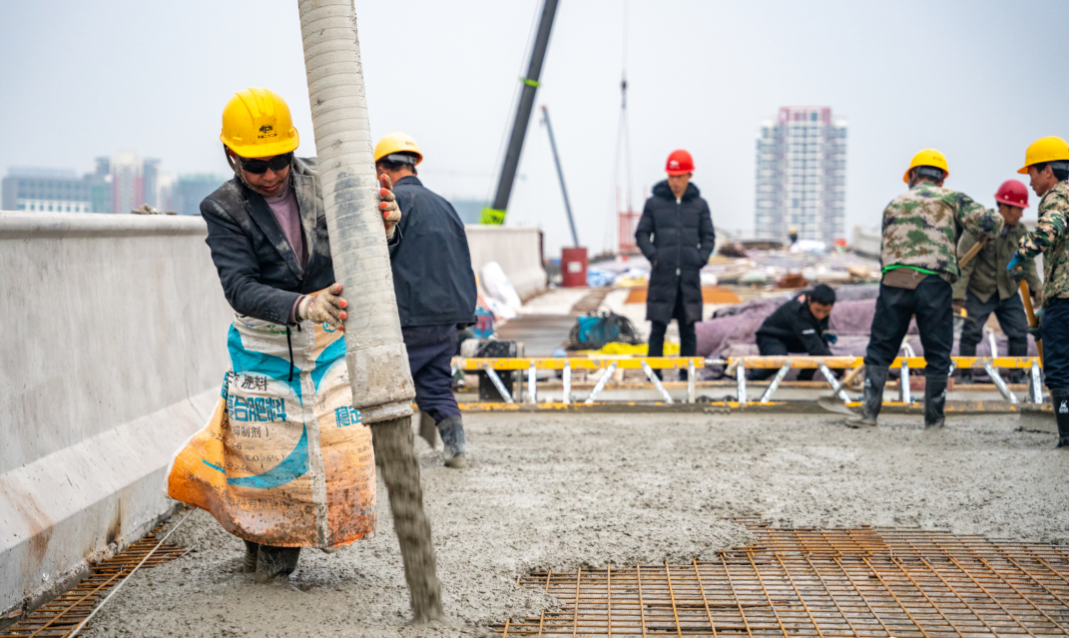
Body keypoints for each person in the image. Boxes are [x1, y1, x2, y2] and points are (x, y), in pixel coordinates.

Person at [195, 88, 400, 582]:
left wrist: (386, 228)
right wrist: (302, 305)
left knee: (331, 446)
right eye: (255, 165)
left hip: (326, 345)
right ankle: (265, 556)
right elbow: (240, 286)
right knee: (265, 451)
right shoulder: (223, 208)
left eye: (279, 161)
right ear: (231, 156)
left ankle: (275, 556)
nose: (270, 174)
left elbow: (366, 248)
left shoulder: (327, 179)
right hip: (265, 348)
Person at [846, 149, 1003, 429]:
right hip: (933, 281)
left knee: (881, 348)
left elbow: (885, 250)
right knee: (938, 352)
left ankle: (868, 414)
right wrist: (987, 231)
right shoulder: (951, 198)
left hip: (894, 279)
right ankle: (934, 420)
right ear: (941, 178)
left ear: (913, 176)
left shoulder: (893, 203)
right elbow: (991, 222)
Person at [375, 132, 478, 468]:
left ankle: (390, 457)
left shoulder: (392, 205)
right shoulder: (444, 206)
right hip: (446, 318)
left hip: (408, 317)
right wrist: (464, 316)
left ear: (382, 171)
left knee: (387, 388)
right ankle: (456, 450)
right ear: (413, 166)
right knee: (435, 385)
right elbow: (462, 261)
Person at [634, 149, 716, 378]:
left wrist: (700, 259)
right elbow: (641, 234)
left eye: (679, 176)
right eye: (671, 176)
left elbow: (708, 236)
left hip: (689, 278)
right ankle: (654, 375)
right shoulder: (654, 203)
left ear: (689, 175)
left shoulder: (700, 205)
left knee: (688, 330)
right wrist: (655, 257)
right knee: (657, 329)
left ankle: (686, 376)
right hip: (662, 276)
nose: (675, 182)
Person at [1010, 136, 1069, 447]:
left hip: (1066, 296)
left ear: (1048, 171)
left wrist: (1023, 251)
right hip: (1060, 296)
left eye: (1031, 173)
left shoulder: (1058, 196)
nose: (1030, 181)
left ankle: (1067, 437)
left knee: (1058, 367)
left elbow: (1051, 228)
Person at [954, 180, 1040, 384]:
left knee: (1020, 331)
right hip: (979, 291)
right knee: (971, 332)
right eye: (1017, 209)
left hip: (1007, 291)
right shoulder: (980, 229)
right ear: (1002, 206)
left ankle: (1017, 376)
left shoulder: (1020, 233)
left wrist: (1037, 288)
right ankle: (966, 376)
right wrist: (957, 296)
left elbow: (1027, 262)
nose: (1020, 214)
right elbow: (964, 262)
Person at [750, 285, 837, 381]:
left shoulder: (818, 305)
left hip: (792, 337)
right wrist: (843, 370)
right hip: (771, 336)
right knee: (779, 361)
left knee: (822, 347)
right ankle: (752, 379)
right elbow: (816, 347)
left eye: (826, 312)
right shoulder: (798, 312)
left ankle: (804, 380)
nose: (821, 315)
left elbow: (820, 343)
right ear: (809, 301)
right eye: (818, 310)